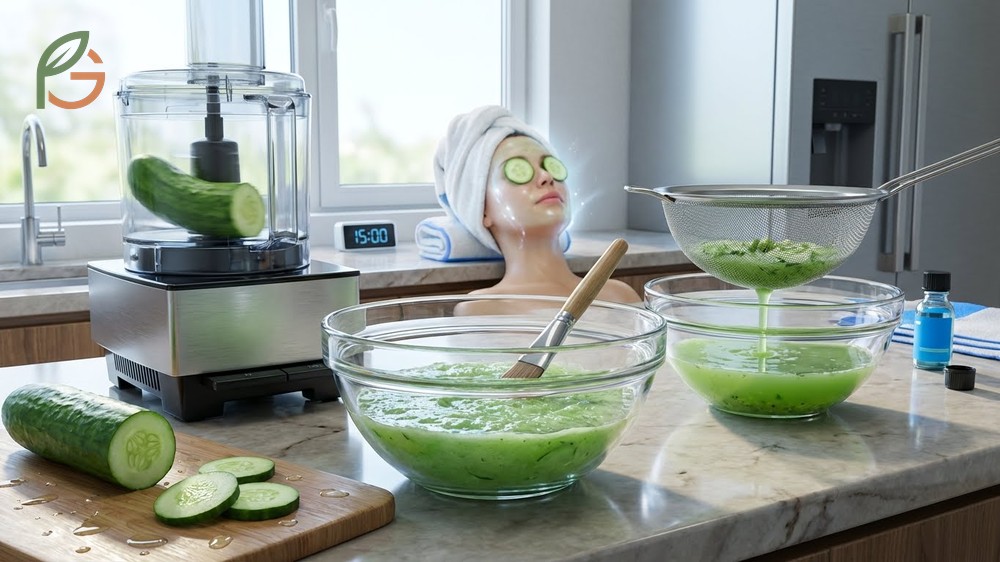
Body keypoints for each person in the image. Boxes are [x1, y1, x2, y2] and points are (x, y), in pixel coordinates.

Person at [429, 105, 640, 313]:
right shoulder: (482, 309)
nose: (547, 177)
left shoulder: (621, 297)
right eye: (519, 170)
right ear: (481, 209)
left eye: (550, 165)